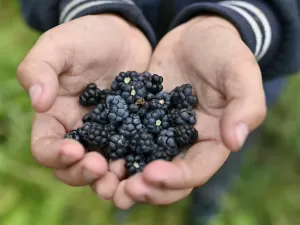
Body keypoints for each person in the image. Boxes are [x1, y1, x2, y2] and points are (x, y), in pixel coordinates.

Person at [17, 0, 300, 224]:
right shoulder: (135, 106)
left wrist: (250, 21)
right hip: (124, 28)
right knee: (143, 175)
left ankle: (206, 209)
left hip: (236, 70)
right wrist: (89, 6)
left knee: (227, 144)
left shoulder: (154, 109)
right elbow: (137, 112)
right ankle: (134, 200)